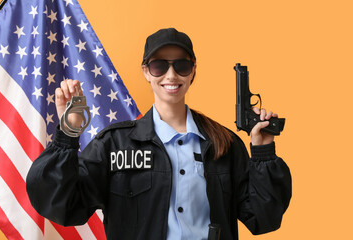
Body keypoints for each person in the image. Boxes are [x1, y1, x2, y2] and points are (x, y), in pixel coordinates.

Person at [26, 28, 292, 240]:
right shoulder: (114, 145)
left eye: (182, 66)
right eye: (159, 66)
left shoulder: (224, 144)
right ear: (146, 72)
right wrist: (68, 132)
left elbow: (263, 218)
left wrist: (263, 150)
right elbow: (62, 205)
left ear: (193, 71)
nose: (171, 74)